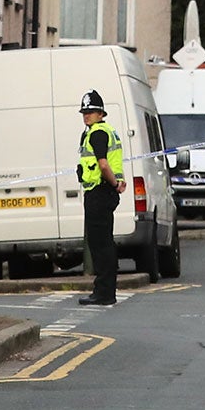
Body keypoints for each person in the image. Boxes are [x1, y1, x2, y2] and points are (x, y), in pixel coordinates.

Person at [75, 90, 124, 307]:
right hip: (105, 191)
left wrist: (113, 183)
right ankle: (106, 290)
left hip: (99, 192)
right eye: (84, 111)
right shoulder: (107, 131)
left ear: (101, 113)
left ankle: (103, 292)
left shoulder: (97, 133)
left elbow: (103, 164)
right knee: (104, 242)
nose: (87, 115)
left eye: (91, 111)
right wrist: (117, 183)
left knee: (99, 244)